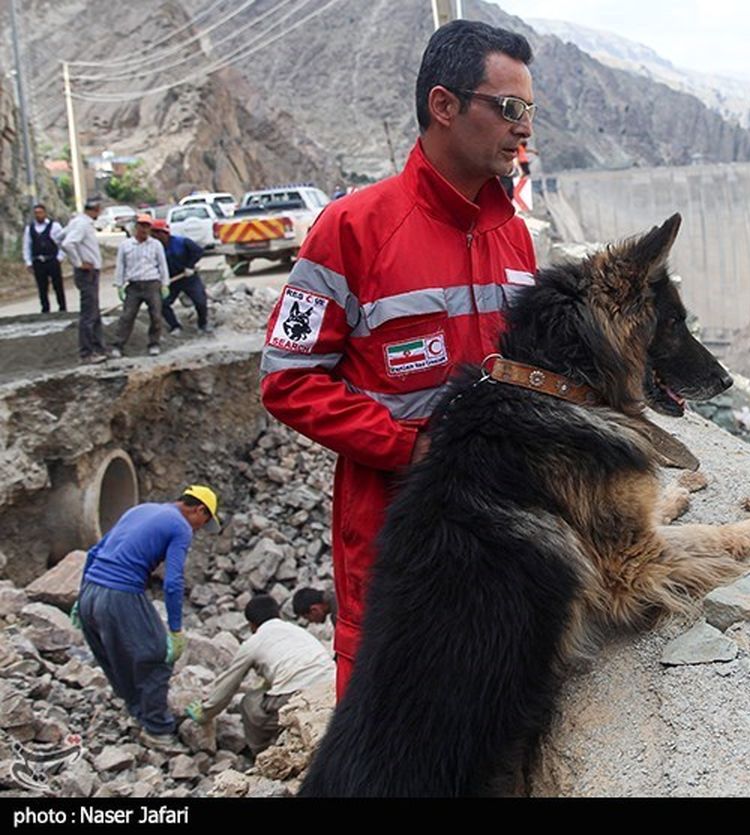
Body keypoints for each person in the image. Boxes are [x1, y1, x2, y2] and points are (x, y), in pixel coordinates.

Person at [260, 19, 538, 700]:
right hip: (399, 543)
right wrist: (408, 446)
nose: (523, 130)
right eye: (509, 109)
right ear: (445, 106)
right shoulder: (351, 230)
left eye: (529, 111)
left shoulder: (517, 239)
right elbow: (287, 380)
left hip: (503, 543)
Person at [72, 485, 220, 751]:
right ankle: (157, 729)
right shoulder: (180, 527)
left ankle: (138, 711)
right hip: (121, 594)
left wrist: (81, 597)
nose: (199, 530)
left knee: (117, 656)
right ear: (199, 510)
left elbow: (95, 551)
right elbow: (173, 581)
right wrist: (175, 630)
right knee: (157, 655)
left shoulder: (141, 509)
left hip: (91, 591)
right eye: (204, 522)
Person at [184, 595, 334, 755]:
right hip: (332, 689)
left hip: (299, 697)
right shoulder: (297, 631)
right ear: (278, 614)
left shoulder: (254, 642)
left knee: (249, 703)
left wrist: (206, 712)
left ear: (252, 625)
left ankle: (262, 753)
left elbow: (229, 684)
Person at [110, 214, 170, 358]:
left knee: (156, 315)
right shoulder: (126, 246)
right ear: (136, 227)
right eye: (142, 226)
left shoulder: (156, 245)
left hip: (152, 284)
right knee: (127, 316)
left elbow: (162, 265)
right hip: (134, 286)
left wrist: (164, 284)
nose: (144, 229)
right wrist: (119, 285)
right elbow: (120, 265)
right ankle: (118, 345)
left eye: (147, 226)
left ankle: (154, 343)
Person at [57, 196, 107, 364]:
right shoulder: (82, 224)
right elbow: (67, 243)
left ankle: (98, 348)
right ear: (96, 209)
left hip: (90, 272)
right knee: (89, 314)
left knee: (94, 311)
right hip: (87, 273)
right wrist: (79, 262)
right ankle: (86, 353)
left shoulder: (77, 221)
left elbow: (58, 237)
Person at [149, 219, 210, 336]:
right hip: (170, 281)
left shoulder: (181, 242)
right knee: (162, 303)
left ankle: (203, 324)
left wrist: (189, 266)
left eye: (156, 233)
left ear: (164, 233)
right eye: (153, 234)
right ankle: (175, 326)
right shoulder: (154, 248)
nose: (155, 236)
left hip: (188, 278)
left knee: (200, 301)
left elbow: (198, 251)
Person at [23, 203, 66, 314]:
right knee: (42, 286)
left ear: (45, 213)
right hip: (38, 261)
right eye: (36, 213)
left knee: (58, 285)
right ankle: (45, 308)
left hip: (52, 260)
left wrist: (60, 257)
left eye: (40, 212)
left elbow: (62, 242)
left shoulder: (54, 226)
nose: (38, 215)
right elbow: (27, 245)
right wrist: (28, 261)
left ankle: (62, 307)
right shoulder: (30, 228)